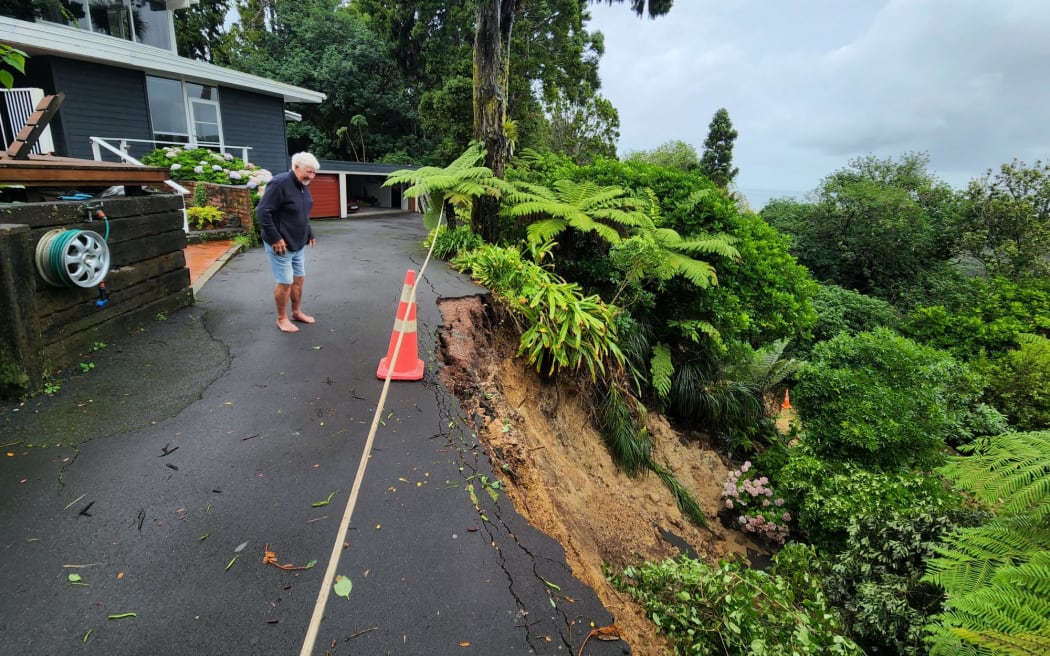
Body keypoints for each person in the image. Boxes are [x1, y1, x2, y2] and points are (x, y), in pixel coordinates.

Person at [257, 152, 319, 333]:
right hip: (280, 245)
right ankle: (281, 318)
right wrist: (275, 237)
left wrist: (309, 232)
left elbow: (302, 213)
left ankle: (297, 312)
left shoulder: (302, 185)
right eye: (308, 171)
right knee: (285, 281)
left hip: (298, 243)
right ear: (296, 166)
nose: (311, 176)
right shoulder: (279, 183)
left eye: (314, 173)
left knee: (298, 279)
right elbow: (262, 212)